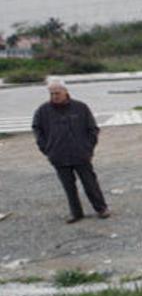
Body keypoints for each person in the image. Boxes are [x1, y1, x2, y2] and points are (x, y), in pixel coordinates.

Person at [32, 78, 110, 223]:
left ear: (65, 91)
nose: (54, 96)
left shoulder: (80, 108)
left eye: (57, 93)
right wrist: (47, 149)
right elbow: (37, 130)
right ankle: (76, 213)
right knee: (68, 187)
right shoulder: (43, 111)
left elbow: (92, 129)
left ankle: (101, 209)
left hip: (81, 154)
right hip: (58, 156)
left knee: (90, 183)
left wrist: (88, 147)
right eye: (52, 93)